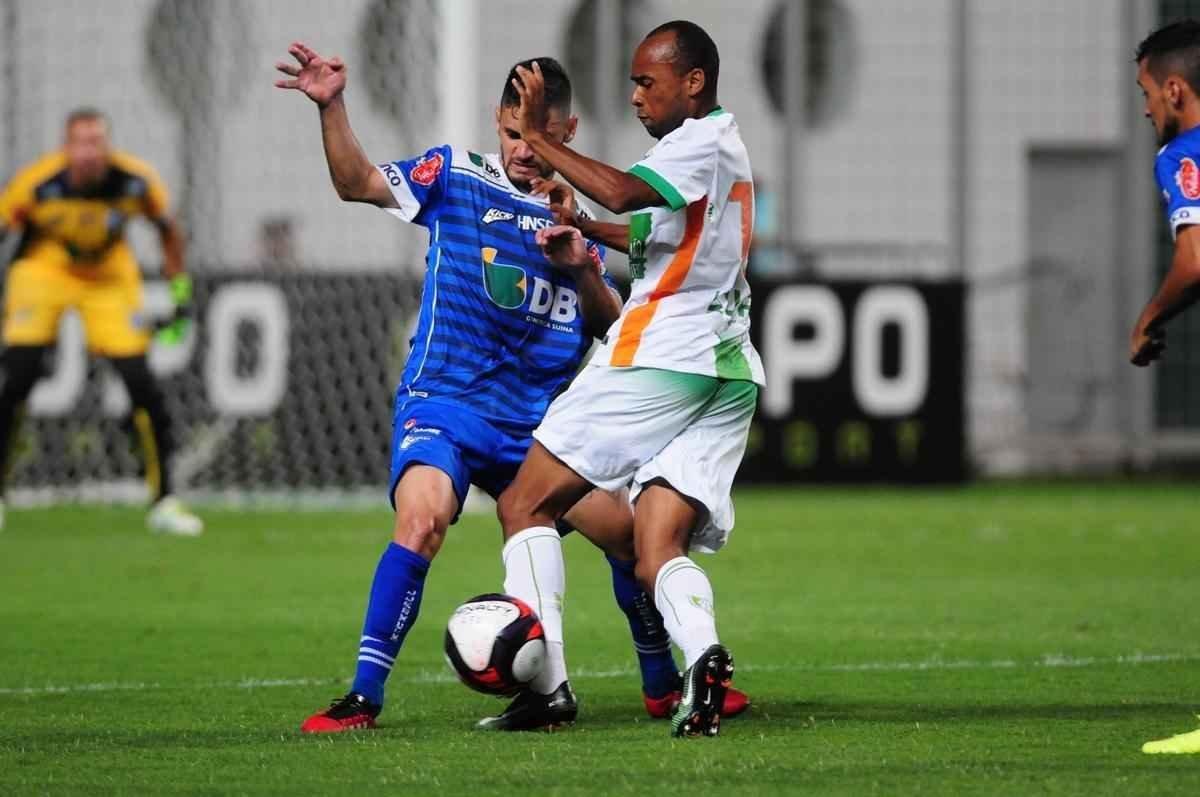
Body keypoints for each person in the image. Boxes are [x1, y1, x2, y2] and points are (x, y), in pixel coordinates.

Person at [274, 43, 748, 734]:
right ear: (498, 120)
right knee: (423, 519)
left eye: (541, 136)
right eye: (513, 132)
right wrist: (333, 106)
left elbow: (614, 327)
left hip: (538, 422)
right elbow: (357, 182)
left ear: (567, 133)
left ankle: (658, 682)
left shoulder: (571, 206)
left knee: (634, 540)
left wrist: (583, 263)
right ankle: (364, 696)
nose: (524, 150)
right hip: (448, 403)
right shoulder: (456, 175)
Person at [495, 19, 762, 738]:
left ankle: (545, 687)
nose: (637, 96)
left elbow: (620, 192)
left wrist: (539, 137)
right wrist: (579, 223)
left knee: (525, 503)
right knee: (654, 548)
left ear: (693, 82)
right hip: (727, 370)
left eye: (648, 81)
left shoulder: (696, 142)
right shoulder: (722, 149)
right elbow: (649, 231)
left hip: (660, 356)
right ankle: (702, 661)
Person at [0, 109, 201, 536]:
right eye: (81, 143)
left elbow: (168, 231)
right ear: (66, 148)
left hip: (108, 275)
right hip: (45, 270)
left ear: (108, 148)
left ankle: (164, 499)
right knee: (16, 378)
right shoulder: (39, 184)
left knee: (141, 383)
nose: (90, 153)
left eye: (97, 143)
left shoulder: (135, 181)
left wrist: (180, 298)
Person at [1129, 19, 1200, 755]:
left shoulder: (1185, 152)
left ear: (1175, 89)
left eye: (1147, 94)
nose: (1147, 109)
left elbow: (1196, 257)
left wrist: (1147, 317)